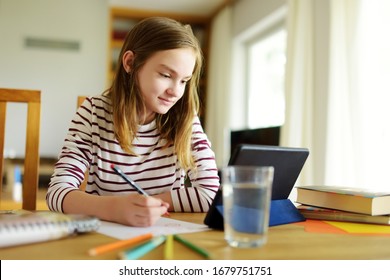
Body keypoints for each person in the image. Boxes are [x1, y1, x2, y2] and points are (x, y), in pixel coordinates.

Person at [46, 17, 220, 227]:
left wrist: (150, 204)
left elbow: (210, 194)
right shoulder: (93, 113)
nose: (175, 92)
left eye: (184, 81)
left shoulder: (185, 118)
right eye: (166, 75)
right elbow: (58, 193)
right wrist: (115, 209)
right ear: (130, 63)